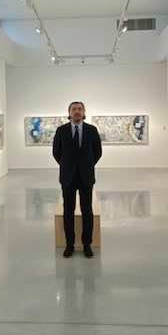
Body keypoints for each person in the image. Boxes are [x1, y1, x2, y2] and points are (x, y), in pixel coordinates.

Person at [52, 101, 102, 258]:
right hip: (68, 178)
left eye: (80, 109)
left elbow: (98, 152)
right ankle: (69, 244)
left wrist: (87, 165)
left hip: (86, 177)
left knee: (87, 210)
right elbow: (56, 152)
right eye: (74, 109)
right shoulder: (61, 130)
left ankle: (87, 244)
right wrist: (67, 166)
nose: (77, 111)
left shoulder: (92, 130)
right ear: (69, 112)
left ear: (84, 112)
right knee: (68, 211)